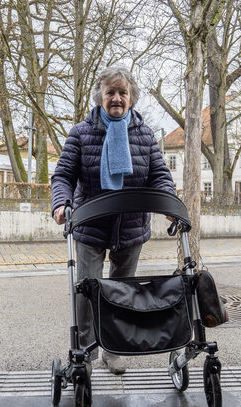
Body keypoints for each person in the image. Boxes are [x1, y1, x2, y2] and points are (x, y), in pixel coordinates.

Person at [51, 66, 175, 374]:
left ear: (131, 98)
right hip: (91, 226)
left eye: (123, 93)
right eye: (110, 92)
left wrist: (169, 201)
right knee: (87, 291)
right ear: (100, 97)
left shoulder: (145, 135)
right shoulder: (81, 132)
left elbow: (159, 175)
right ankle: (84, 354)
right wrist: (60, 203)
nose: (117, 98)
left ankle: (113, 350)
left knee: (120, 293)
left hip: (131, 228)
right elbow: (63, 175)